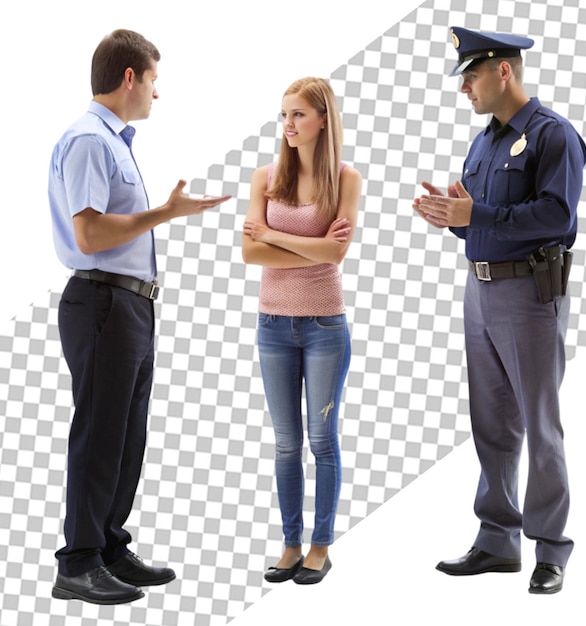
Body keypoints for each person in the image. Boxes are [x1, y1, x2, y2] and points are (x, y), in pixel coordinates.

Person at [48, 29, 230, 605]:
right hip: (101, 301)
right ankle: (77, 562)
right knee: (100, 432)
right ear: (131, 77)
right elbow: (90, 231)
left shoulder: (116, 142)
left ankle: (106, 547)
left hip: (129, 304)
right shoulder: (88, 141)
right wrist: (165, 213)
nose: (157, 92)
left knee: (127, 434)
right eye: (154, 80)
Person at [413, 26, 586, 594]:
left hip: (529, 297)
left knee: (539, 424)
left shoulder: (552, 135)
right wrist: (452, 216)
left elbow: (555, 217)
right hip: (480, 290)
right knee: (491, 422)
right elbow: (478, 221)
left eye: (471, 75)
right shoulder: (484, 141)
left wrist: (476, 218)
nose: (465, 87)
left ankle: (551, 550)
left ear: (502, 71)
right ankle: (496, 540)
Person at [242, 77, 361, 585]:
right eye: (284, 115)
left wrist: (272, 234)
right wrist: (298, 245)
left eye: (298, 115)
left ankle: (320, 545)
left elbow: (336, 254)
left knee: (322, 440)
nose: (288, 125)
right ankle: (290, 543)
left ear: (322, 120)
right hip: (273, 324)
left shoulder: (346, 178)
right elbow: (251, 254)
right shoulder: (265, 177)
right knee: (286, 443)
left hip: (323, 326)